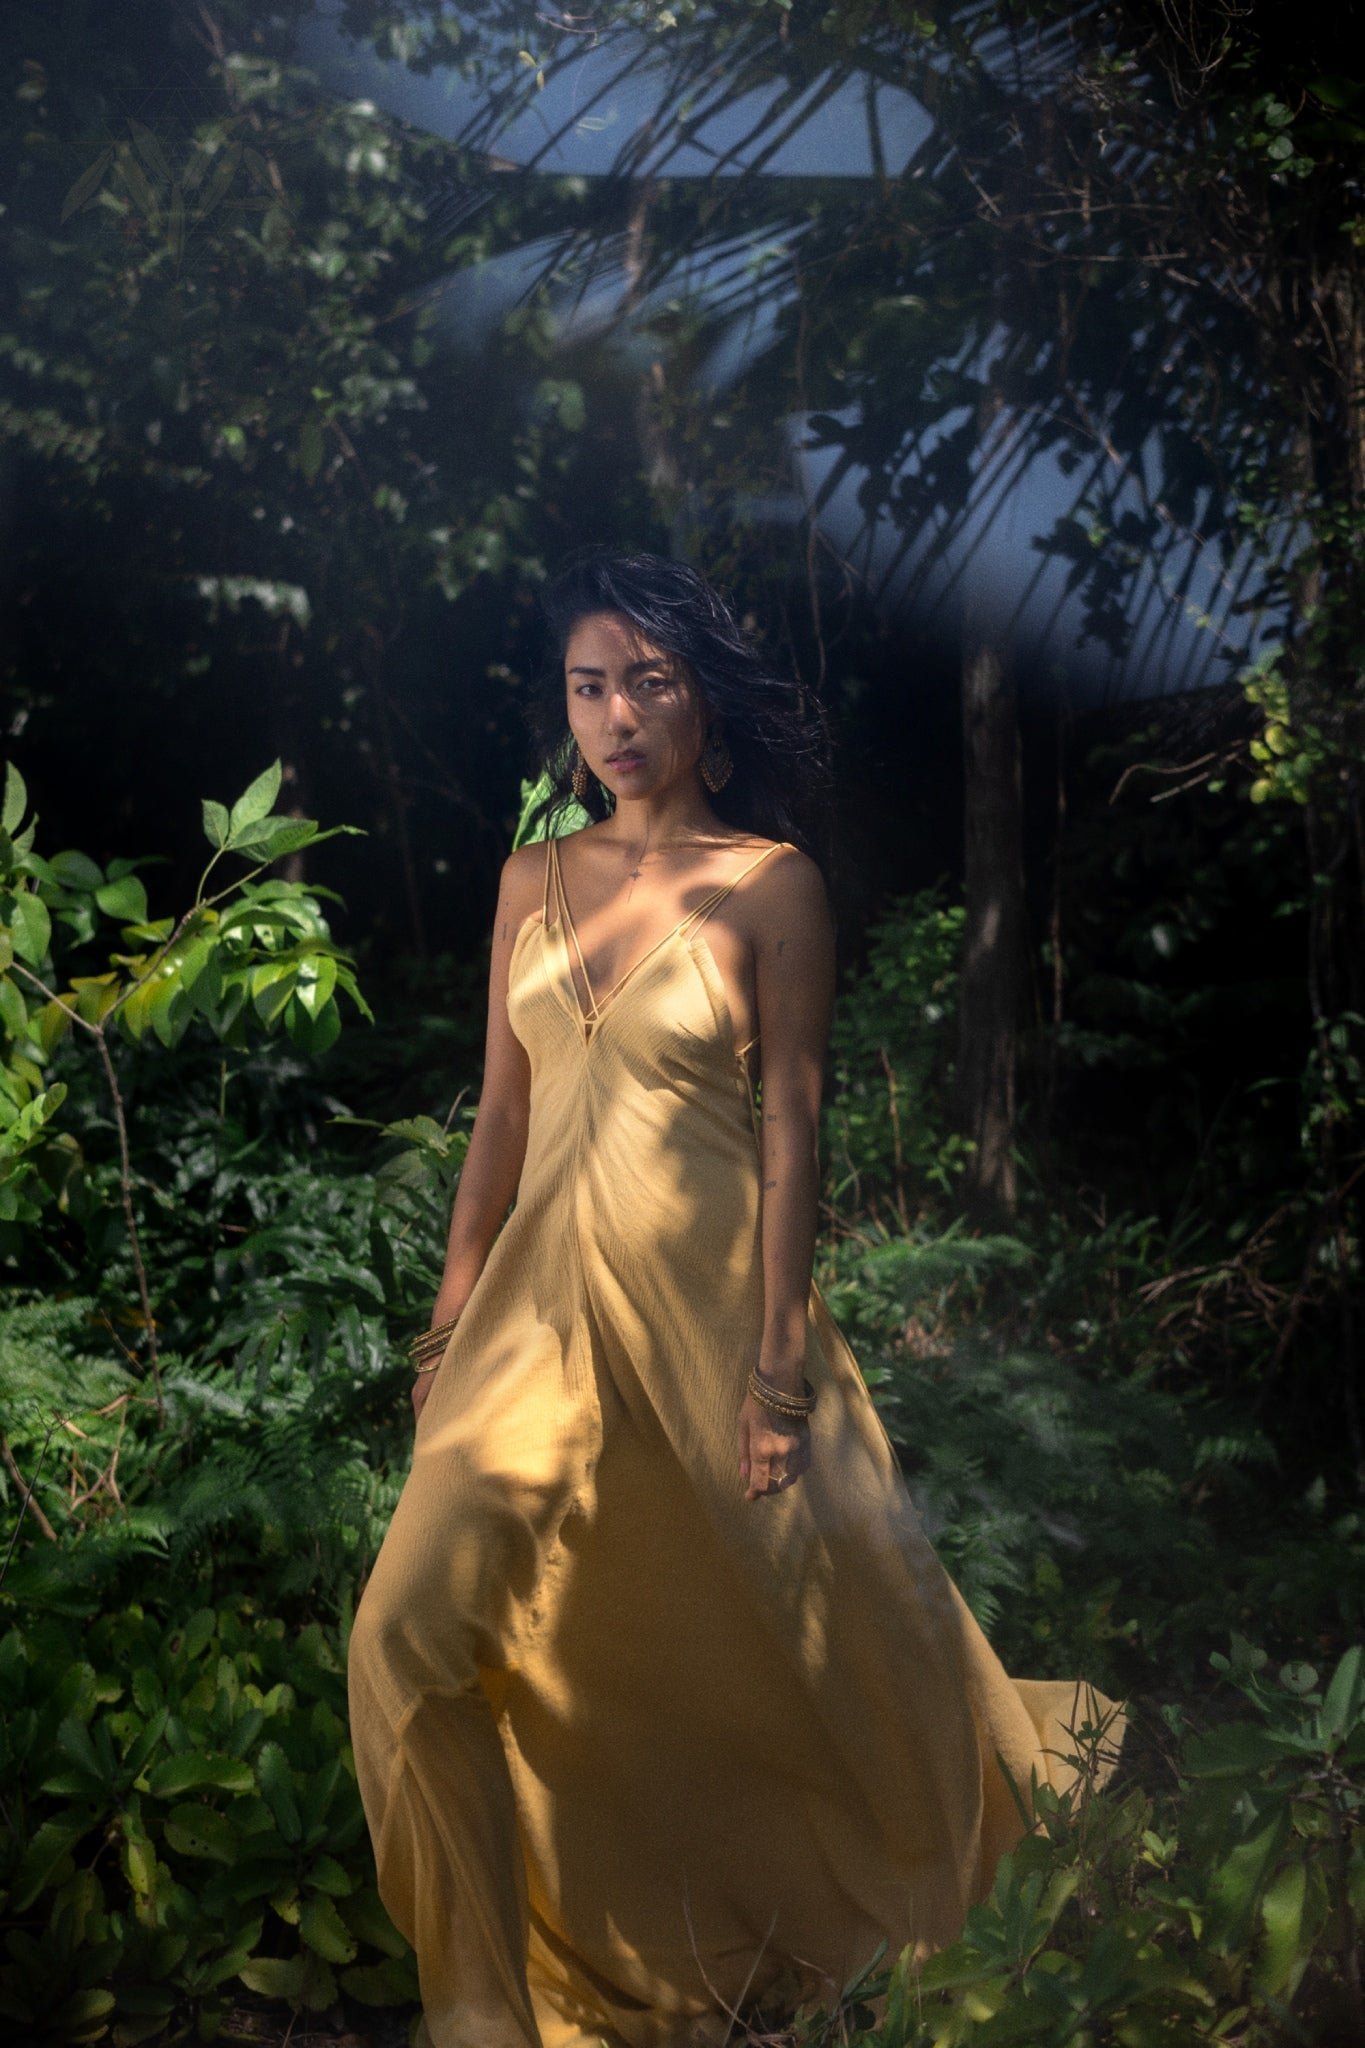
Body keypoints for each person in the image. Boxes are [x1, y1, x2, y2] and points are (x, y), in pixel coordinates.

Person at [347, 549, 1122, 2048]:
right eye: (590, 686)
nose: (618, 715)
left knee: (821, 1643)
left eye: (650, 681)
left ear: (705, 696)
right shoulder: (528, 880)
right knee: (405, 1633)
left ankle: (900, 1879)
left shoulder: (772, 887)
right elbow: (495, 1129)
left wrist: (778, 1373)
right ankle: (478, 2013)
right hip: (527, 1333)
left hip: (710, 1320)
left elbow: (789, 1136)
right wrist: (445, 1326)